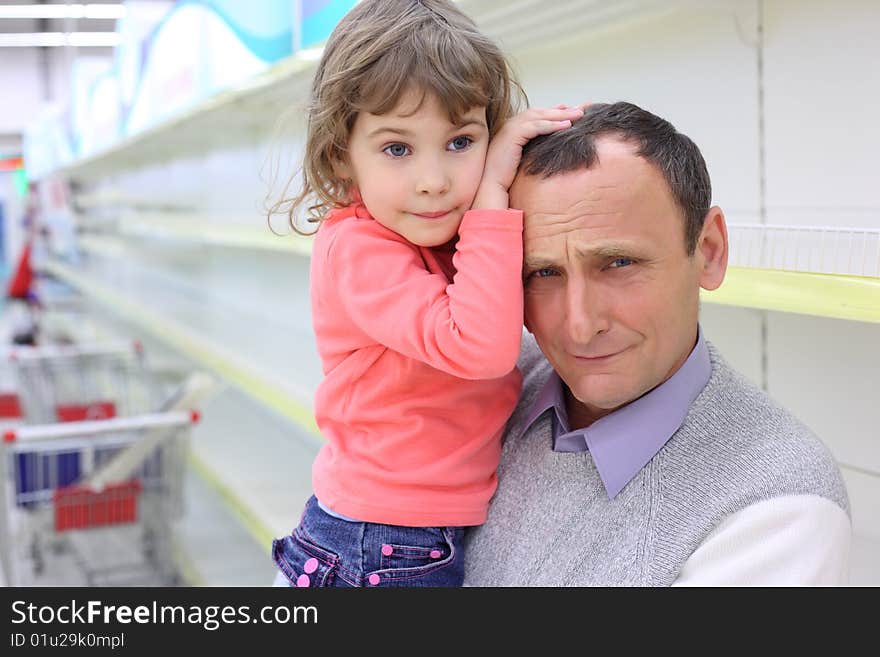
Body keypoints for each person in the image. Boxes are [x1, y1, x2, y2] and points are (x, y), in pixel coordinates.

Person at [463, 102, 851, 586]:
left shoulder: (776, 509)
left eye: (619, 264)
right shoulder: (486, 389)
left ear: (708, 251)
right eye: (543, 273)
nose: (580, 326)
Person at [268, 0, 584, 587]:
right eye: (397, 149)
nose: (434, 180)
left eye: (461, 142)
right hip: (379, 543)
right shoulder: (359, 250)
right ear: (342, 155)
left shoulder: (437, 239)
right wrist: (490, 190)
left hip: (402, 536)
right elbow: (480, 347)